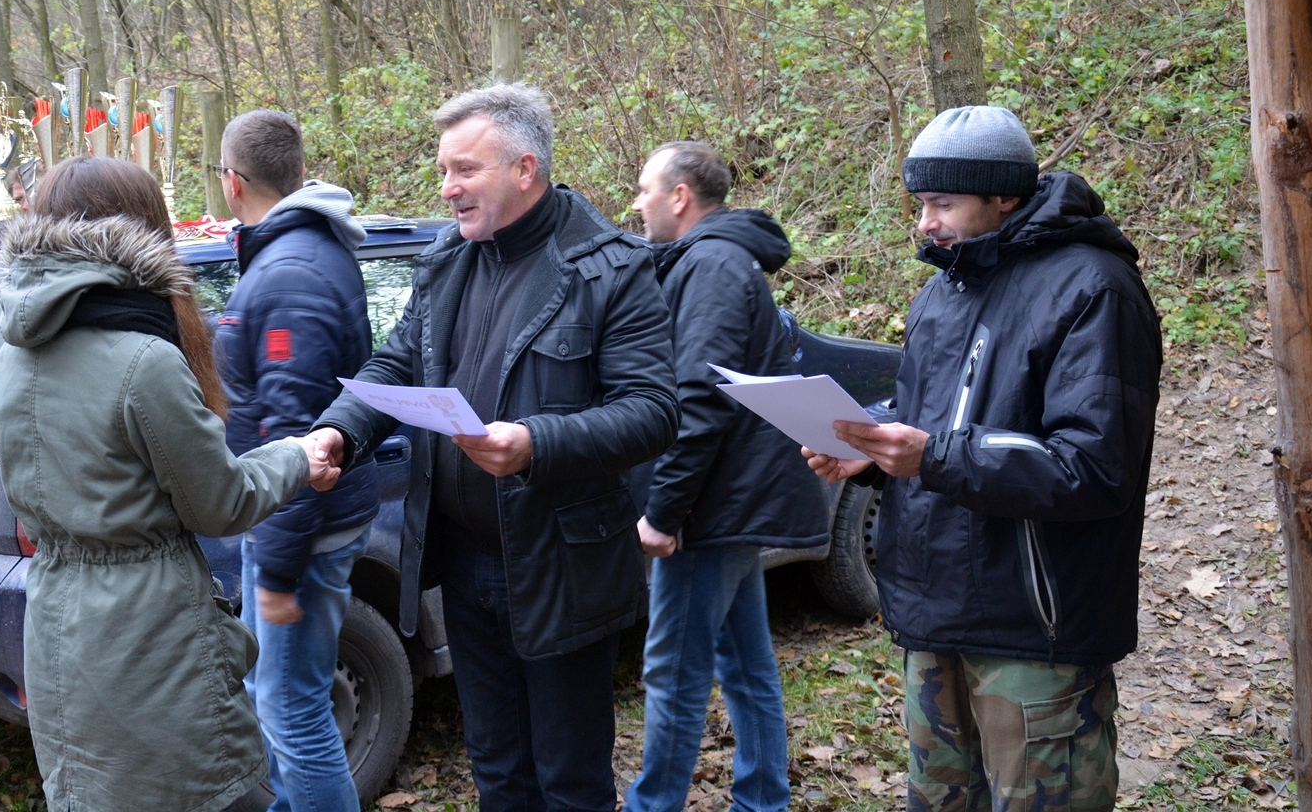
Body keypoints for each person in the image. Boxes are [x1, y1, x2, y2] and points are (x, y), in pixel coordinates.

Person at [304, 83, 680, 812]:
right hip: (462, 564)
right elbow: (396, 364)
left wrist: (536, 443)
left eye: (465, 170)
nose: (447, 188)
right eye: (444, 170)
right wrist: (338, 431)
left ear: (524, 169)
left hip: (560, 564)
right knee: (498, 772)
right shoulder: (447, 259)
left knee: (569, 783)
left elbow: (653, 412)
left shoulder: (610, 267)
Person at [802, 106, 1161, 812]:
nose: (924, 224)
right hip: (934, 618)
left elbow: (1093, 467)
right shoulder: (944, 292)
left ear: (1003, 195)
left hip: (1035, 629)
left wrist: (932, 456)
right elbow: (933, 424)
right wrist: (870, 452)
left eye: (942, 203)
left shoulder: (1095, 290)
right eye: (920, 203)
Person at [0, 157, 341, 812]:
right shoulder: (144, 360)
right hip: (146, 638)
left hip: (57, 624)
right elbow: (222, 503)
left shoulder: (11, 355)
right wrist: (296, 456)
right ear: (145, 230)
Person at [625, 141, 812, 812]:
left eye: (645, 189)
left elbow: (700, 401)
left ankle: (655, 805)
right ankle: (763, 800)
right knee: (746, 666)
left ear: (679, 197)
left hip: (710, 508)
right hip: (730, 501)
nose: (637, 203)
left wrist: (664, 511)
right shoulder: (716, 260)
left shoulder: (711, 266)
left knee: (674, 672)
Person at [213, 110, 377, 812]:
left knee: (294, 711)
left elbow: (299, 433)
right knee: (272, 696)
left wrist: (279, 571)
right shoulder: (292, 255)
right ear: (298, 171)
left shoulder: (289, 275)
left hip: (302, 528)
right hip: (286, 521)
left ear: (233, 182)